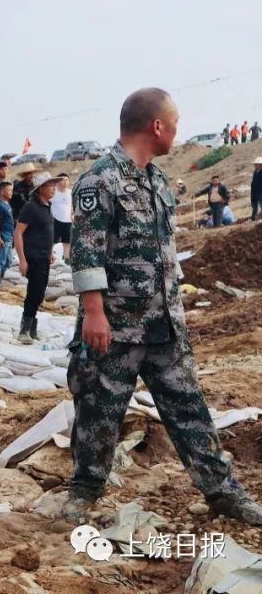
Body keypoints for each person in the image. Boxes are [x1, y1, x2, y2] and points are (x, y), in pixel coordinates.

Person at [64, 87, 262, 525]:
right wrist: (94, 314)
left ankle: (223, 492)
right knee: (99, 412)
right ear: (157, 126)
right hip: (115, 325)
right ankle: (84, 489)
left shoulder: (156, 180)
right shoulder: (100, 180)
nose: (177, 132)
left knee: (189, 408)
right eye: (174, 124)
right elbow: (86, 252)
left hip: (163, 325)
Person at [14, 172, 59, 344]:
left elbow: (44, 233)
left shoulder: (47, 206)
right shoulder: (30, 207)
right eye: (50, 186)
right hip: (33, 257)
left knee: (39, 293)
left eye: (54, 185)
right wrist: (22, 260)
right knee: (34, 293)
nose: (54, 188)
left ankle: (31, 328)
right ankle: (24, 329)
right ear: (40, 189)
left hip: (44, 257)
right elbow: (18, 233)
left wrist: (50, 252)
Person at [51, 173, 73, 262]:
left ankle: (66, 258)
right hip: (55, 219)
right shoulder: (53, 192)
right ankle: (49, 257)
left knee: (67, 242)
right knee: (52, 241)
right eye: (62, 180)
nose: (65, 182)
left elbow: (73, 205)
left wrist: (73, 214)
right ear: (57, 181)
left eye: (66, 180)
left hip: (68, 221)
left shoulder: (71, 192)